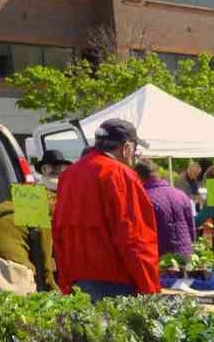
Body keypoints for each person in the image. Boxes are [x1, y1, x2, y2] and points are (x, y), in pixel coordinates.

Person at [53, 118, 159, 301]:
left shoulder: (69, 175)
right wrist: (149, 288)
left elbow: (58, 232)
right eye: (135, 150)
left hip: (77, 279)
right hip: (116, 282)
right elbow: (134, 237)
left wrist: (65, 281)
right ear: (126, 148)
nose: (135, 156)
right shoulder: (120, 174)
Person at [0, 160, 63, 298]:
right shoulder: (42, 213)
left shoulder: (1, 209)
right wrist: (58, 296)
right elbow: (44, 267)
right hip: (9, 272)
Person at [136, 159, 195, 257]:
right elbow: (191, 228)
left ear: (139, 177)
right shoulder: (181, 194)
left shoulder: (144, 198)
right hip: (185, 252)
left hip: (161, 255)